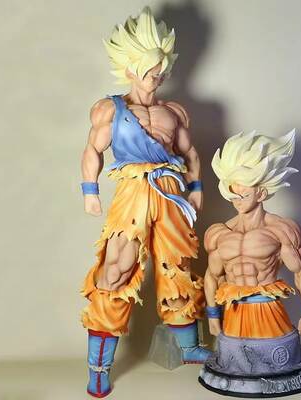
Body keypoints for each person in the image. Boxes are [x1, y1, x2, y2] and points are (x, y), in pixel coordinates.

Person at [80, 7, 210, 398]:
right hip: (133, 189)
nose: (159, 74)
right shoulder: (110, 109)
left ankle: (188, 347)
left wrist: (197, 186)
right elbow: (92, 150)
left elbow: (189, 152)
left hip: (170, 188)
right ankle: (99, 367)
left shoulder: (173, 111)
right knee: (116, 269)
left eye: (163, 67)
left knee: (177, 264)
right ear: (131, 67)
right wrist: (89, 191)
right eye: (152, 67)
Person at [199, 130, 301, 397]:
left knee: (279, 361)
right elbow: (212, 276)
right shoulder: (219, 233)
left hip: (269, 312)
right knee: (234, 361)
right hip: (233, 314)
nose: (237, 199)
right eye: (233, 193)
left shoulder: (280, 230)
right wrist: (212, 315)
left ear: (262, 192)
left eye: (244, 193)